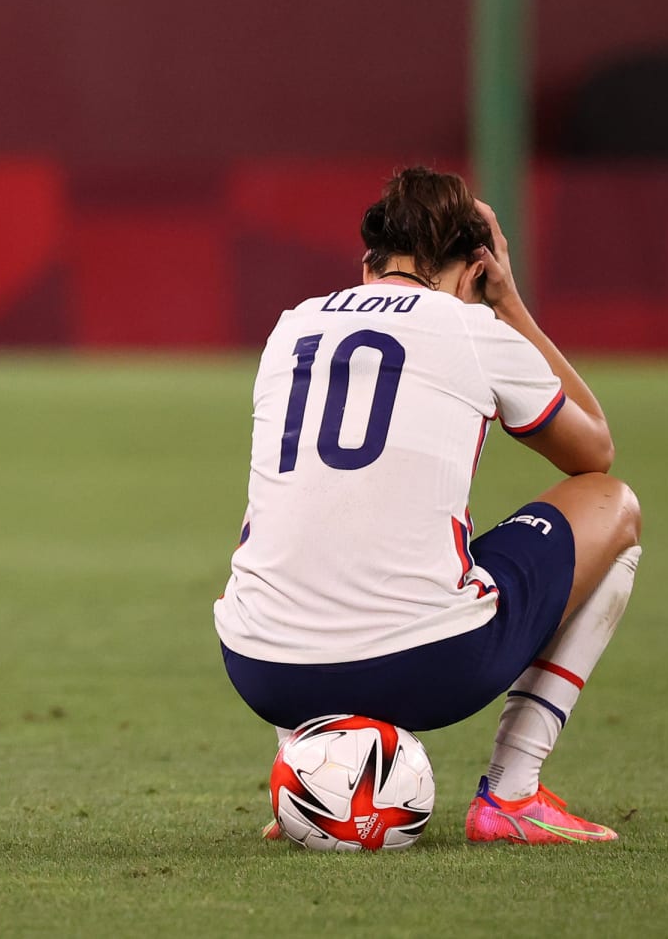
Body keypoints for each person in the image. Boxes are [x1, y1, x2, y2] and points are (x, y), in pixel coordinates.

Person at [214, 166, 642, 845]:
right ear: (474, 270)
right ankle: (513, 793)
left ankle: (304, 775)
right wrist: (509, 304)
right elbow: (594, 450)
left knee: (286, 521)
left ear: (367, 265)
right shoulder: (472, 325)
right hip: (427, 666)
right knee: (613, 505)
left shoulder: (290, 326)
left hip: (261, 667)